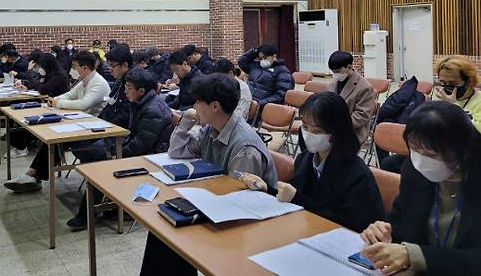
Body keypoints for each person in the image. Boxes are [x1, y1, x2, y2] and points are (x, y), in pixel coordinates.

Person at [140, 73, 278, 276]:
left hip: (242, 218)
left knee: (175, 234)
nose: (194, 106)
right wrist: (185, 122)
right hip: (215, 202)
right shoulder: (212, 128)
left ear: (214, 106)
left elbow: (240, 201)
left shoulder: (244, 147)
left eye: (197, 102)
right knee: (162, 229)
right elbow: (177, 152)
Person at [360, 102, 481, 276]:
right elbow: (402, 223)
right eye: (415, 149)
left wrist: (415, 255)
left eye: (432, 154)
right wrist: (384, 232)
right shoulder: (414, 171)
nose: (421, 161)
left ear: (464, 151)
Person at [239, 91, 386, 232]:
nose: (309, 134)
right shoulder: (305, 158)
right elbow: (295, 196)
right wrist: (267, 190)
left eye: (316, 130)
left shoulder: (356, 174)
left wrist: (296, 198)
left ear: (336, 131)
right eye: (304, 127)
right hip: (308, 232)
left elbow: (348, 224)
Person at [66, 68, 173, 230]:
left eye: (129, 88)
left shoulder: (152, 110)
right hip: (140, 148)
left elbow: (141, 145)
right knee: (95, 152)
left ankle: (87, 213)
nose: (125, 91)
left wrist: (117, 153)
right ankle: (108, 204)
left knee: (100, 165)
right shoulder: (141, 102)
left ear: (141, 90)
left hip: (151, 157)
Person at [4, 51, 110, 192]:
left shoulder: (98, 82)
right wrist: (56, 100)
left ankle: (33, 175)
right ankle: (33, 174)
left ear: (84, 68)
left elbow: (84, 104)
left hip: (93, 131)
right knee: (53, 139)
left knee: (57, 139)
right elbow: (69, 94)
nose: (73, 69)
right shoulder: (85, 80)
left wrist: (57, 104)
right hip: (80, 123)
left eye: (75, 66)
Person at [8, 52, 71, 158]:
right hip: (48, 103)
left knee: (26, 116)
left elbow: (43, 89)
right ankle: (21, 143)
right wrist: (27, 86)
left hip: (57, 107)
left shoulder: (58, 76)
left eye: (41, 66)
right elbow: (39, 85)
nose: (40, 68)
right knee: (15, 109)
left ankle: (21, 147)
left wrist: (31, 76)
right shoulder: (50, 74)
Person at [375, 76, 425, 173]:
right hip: (409, 133)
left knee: (380, 131)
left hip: (403, 134)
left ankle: (382, 169)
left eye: (401, 81)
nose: (398, 84)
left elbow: (386, 109)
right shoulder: (417, 96)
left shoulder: (402, 93)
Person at [326, 51, 376, 144]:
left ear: (349, 67)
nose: (335, 75)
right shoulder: (333, 83)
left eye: (337, 71)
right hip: (332, 128)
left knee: (329, 145)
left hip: (352, 130)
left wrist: (338, 126)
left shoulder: (364, 87)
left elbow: (362, 115)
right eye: (333, 72)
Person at [238, 43, 294, 123]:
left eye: (265, 58)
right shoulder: (255, 66)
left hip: (264, 107)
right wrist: (254, 51)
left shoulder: (282, 71)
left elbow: (280, 95)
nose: (262, 61)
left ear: (274, 56)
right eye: (260, 58)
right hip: (249, 103)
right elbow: (242, 61)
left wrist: (260, 103)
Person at [434, 55, 481, 132]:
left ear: (469, 81)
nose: (447, 87)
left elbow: (476, 131)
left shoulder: (479, 101)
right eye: (443, 82)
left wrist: (453, 107)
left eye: (452, 83)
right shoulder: (442, 98)